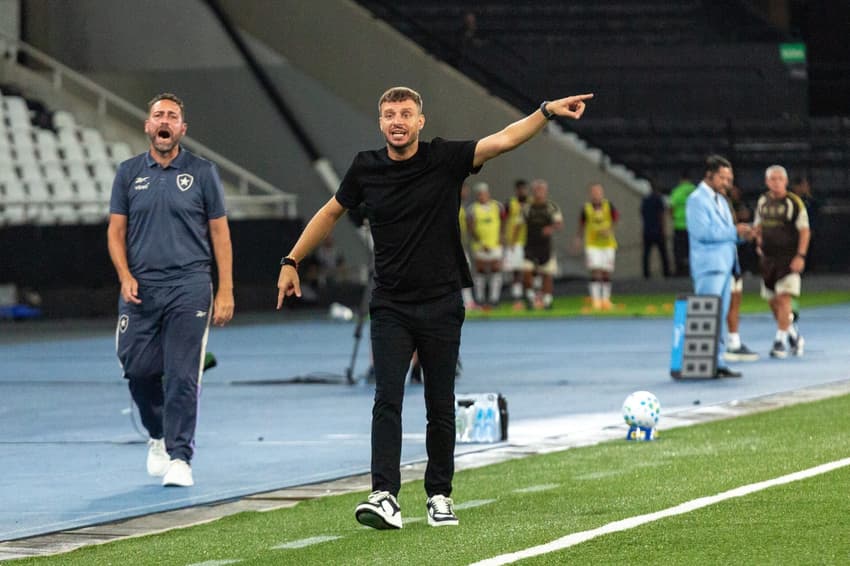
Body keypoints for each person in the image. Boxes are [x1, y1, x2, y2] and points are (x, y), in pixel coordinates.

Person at [276, 87, 593, 529]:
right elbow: (329, 213)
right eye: (389, 114)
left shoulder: (444, 159)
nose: (397, 121)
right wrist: (292, 260)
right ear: (381, 122)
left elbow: (503, 139)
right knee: (386, 397)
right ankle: (384, 494)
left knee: (439, 403)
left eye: (406, 113)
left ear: (420, 121)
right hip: (389, 304)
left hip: (442, 301)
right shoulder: (365, 168)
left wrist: (545, 112)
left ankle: (439, 494)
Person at [107, 93, 234, 487]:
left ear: (182, 128)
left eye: (172, 116)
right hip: (141, 288)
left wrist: (226, 289)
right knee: (138, 370)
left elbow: (219, 233)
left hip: (190, 286)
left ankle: (181, 457)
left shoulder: (202, 172)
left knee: (182, 375)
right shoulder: (129, 173)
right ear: (148, 126)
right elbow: (115, 232)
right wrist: (125, 275)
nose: (165, 121)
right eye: (158, 115)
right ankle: (158, 436)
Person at [685, 155, 752, 378]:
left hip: (724, 265)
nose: (727, 182)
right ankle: (702, 363)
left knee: (719, 314)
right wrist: (735, 231)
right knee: (707, 314)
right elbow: (701, 233)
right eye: (723, 178)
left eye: (729, 178)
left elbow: (726, 234)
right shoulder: (697, 200)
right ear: (709, 175)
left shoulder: (721, 200)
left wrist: (744, 235)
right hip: (708, 266)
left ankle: (717, 361)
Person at [753, 165, 810, 358]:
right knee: (773, 301)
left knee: (784, 297)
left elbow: (804, 230)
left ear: (785, 181)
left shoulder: (794, 202)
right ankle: (794, 335)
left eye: (779, 179)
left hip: (788, 258)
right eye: (772, 179)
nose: (776, 182)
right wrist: (758, 240)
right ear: (767, 182)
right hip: (768, 259)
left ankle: (779, 341)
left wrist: (800, 256)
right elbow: (758, 225)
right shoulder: (763, 201)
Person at [718, 185, 759, 363]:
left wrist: (745, 235)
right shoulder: (712, 209)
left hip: (733, 265)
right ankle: (718, 345)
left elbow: (731, 237)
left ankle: (734, 342)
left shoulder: (726, 206)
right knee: (722, 305)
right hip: (721, 265)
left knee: (735, 302)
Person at [518, 178, 563, 310]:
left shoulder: (552, 207)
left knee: (547, 274)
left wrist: (551, 228)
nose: (539, 192)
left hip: (546, 247)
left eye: (541, 190)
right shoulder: (527, 208)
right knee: (527, 272)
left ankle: (547, 301)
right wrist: (511, 241)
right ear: (532, 191)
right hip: (530, 246)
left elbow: (559, 224)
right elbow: (518, 225)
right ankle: (530, 299)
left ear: (546, 191)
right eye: (536, 190)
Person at [576, 183, 618, 310]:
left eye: (598, 191)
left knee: (606, 272)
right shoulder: (586, 208)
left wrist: (609, 230)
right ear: (590, 193)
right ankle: (596, 300)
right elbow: (582, 225)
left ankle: (606, 300)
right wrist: (578, 238)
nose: (596, 194)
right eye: (594, 192)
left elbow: (615, 220)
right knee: (595, 271)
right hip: (592, 244)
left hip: (608, 244)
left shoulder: (608, 206)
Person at [468, 181, 505, 310]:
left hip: (495, 245)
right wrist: (481, 243)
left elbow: (503, 222)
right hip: (480, 246)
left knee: (496, 270)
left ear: (487, 193)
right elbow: (471, 228)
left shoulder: (497, 206)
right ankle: (480, 299)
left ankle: (494, 299)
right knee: (481, 271)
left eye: (483, 193)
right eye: (479, 194)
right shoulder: (473, 208)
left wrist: (501, 238)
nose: (481, 196)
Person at [502, 179, 529, 309]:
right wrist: (504, 236)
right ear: (516, 190)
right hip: (514, 243)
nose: (523, 191)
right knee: (516, 271)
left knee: (530, 271)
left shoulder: (531, 203)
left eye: (524, 189)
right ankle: (517, 299)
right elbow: (503, 220)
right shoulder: (510, 203)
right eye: (520, 189)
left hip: (529, 242)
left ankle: (532, 297)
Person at [639, 182, 671, 279]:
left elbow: (642, 213)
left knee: (646, 253)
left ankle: (646, 273)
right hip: (658, 230)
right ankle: (666, 272)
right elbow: (661, 215)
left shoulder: (645, 200)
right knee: (663, 253)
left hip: (647, 229)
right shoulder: (659, 199)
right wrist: (664, 229)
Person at [670, 169, 696, 277]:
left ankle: (680, 272)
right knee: (693, 250)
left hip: (679, 226)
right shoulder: (695, 190)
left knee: (679, 251)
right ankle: (693, 270)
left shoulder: (676, 191)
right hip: (693, 226)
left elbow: (671, 208)